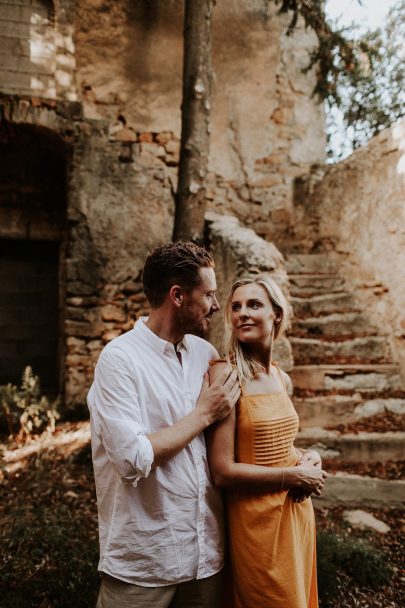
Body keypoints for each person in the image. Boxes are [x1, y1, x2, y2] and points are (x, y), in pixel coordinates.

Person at [87, 242, 240, 608]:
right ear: (177, 295)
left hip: (205, 561)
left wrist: (297, 457)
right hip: (143, 566)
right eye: (209, 295)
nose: (216, 306)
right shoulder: (119, 360)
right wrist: (202, 414)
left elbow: (236, 440)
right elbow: (130, 458)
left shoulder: (205, 355)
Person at [207, 275, 327, 608]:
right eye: (236, 307)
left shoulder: (279, 376)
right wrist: (293, 476)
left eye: (253, 305)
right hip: (257, 525)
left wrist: (309, 457)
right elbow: (222, 471)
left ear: (276, 314)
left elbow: (280, 444)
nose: (242, 313)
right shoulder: (226, 375)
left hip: (296, 516)